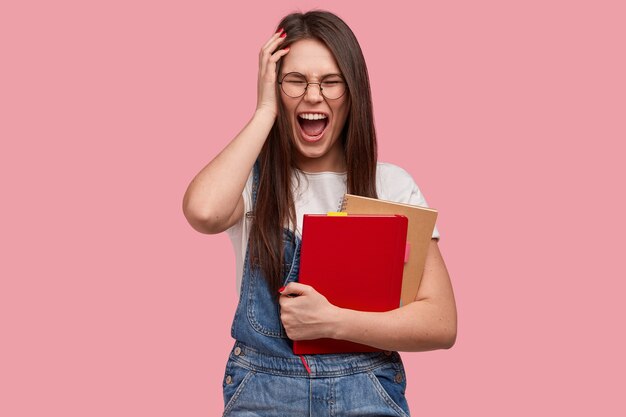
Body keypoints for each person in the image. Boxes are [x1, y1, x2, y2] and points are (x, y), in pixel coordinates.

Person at [182, 10, 457, 416]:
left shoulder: (391, 186)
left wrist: (332, 322)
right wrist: (264, 113)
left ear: (353, 92)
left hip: (366, 388)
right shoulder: (250, 182)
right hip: (263, 393)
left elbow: (440, 322)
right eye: (296, 81)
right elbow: (203, 212)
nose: (313, 96)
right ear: (276, 88)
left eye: (330, 82)